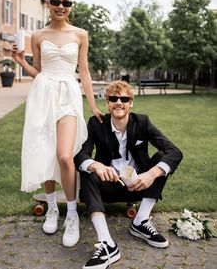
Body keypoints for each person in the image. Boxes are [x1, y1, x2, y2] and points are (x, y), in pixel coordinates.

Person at [12, 0, 103, 248]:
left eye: (66, 2)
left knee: (65, 155)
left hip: (68, 95)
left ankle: (72, 213)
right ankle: (52, 208)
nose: (61, 6)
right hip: (43, 94)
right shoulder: (38, 36)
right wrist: (21, 61)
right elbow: (38, 71)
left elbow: (84, 72)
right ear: (48, 4)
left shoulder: (80, 34)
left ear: (70, 6)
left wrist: (94, 104)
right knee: (46, 151)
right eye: (56, 2)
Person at [74, 80, 183, 269]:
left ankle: (141, 221)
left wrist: (151, 174)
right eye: (113, 98)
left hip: (140, 185)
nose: (119, 102)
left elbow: (174, 152)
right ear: (107, 103)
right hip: (107, 186)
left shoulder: (142, 122)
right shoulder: (96, 124)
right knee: (88, 171)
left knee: (163, 159)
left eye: (124, 98)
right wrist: (96, 165)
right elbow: (80, 156)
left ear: (131, 103)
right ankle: (107, 244)